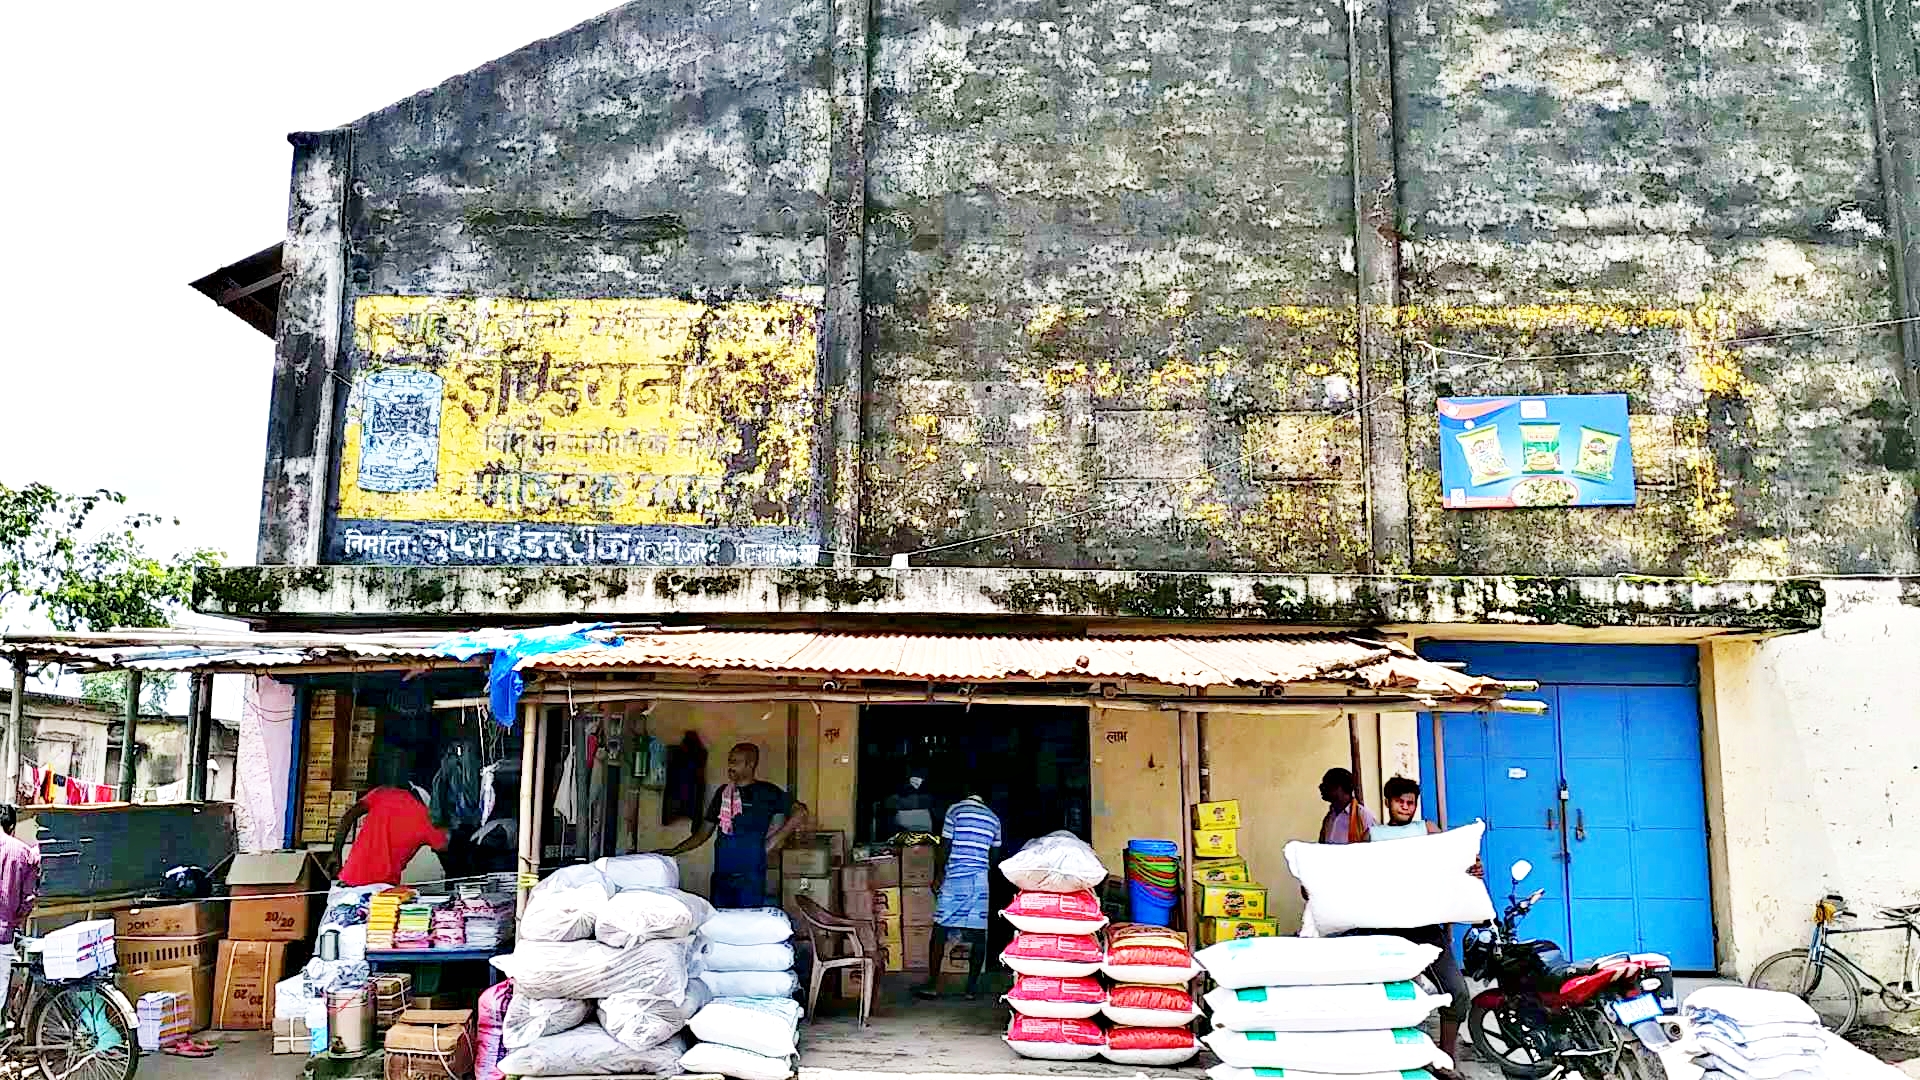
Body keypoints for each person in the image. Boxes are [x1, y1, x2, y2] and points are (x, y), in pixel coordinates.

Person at [1362, 775, 1482, 1079]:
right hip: (1384, 929)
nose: (1405, 806)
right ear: (1388, 802)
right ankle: (1386, 1060)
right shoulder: (1372, 837)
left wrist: (1472, 866)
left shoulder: (1427, 831)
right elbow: (1351, 875)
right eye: (1399, 801)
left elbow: (1456, 858)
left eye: (1410, 802)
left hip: (1426, 928)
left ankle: (1445, 1060)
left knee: (1456, 992)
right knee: (1385, 998)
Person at [659, 743, 809, 908]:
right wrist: (672, 851)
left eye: (735, 762)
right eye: (729, 761)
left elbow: (800, 812)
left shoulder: (767, 792)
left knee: (746, 926)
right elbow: (702, 835)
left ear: (750, 764)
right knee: (721, 925)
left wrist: (771, 843)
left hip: (750, 878)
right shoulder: (723, 793)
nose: (730, 766)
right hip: (722, 876)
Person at [913, 791, 1002, 1001]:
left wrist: (938, 874)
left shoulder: (955, 810)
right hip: (979, 880)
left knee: (941, 929)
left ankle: (933, 984)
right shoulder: (994, 818)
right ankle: (971, 988)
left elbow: (945, 846)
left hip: (956, 878)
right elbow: (995, 854)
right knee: (979, 933)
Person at [333, 776, 450, 888]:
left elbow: (348, 817)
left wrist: (335, 854)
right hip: (383, 889)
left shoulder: (383, 793)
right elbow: (447, 855)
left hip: (350, 879)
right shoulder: (430, 822)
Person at [0, 805, 40, 1025]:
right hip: (3, 935)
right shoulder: (23, 853)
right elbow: (28, 899)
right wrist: (15, 919)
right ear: (12, 827)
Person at [1317, 767, 1376, 844]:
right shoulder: (1329, 817)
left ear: (1339, 787)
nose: (1321, 788)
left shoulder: (1363, 816)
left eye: (1326, 784)